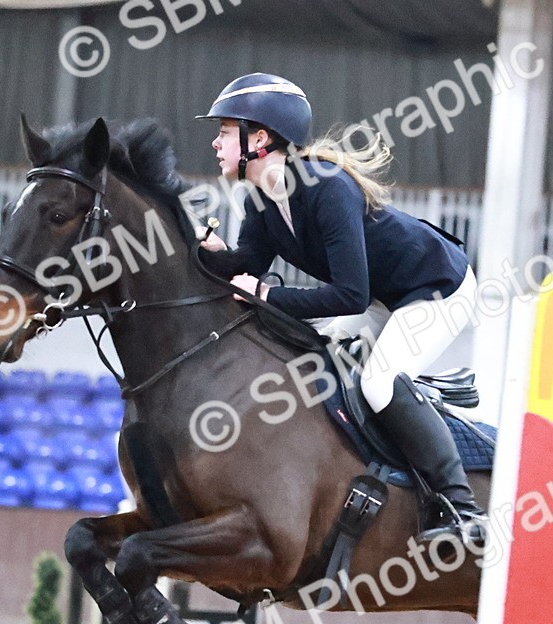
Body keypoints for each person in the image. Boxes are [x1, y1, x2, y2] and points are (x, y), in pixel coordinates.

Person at [196, 72, 484, 544]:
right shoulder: (263, 203)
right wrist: (199, 252)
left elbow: (348, 295)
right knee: (318, 358)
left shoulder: (327, 187)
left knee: (378, 381)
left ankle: (462, 507)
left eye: (225, 132)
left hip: (436, 285)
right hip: (379, 297)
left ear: (260, 138)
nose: (215, 142)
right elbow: (245, 266)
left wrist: (266, 294)